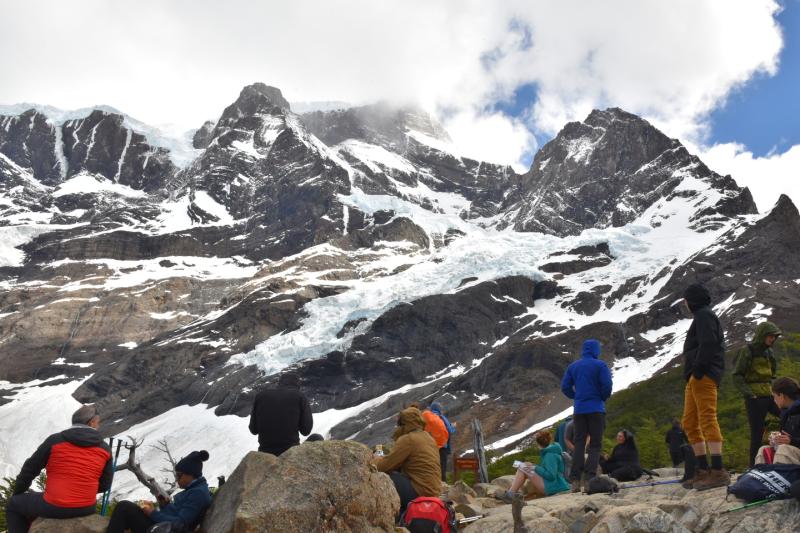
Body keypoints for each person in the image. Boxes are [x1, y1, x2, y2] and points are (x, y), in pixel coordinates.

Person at [5, 404, 113, 533]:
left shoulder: (55, 441)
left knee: (14, 504)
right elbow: (105, 484)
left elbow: (30, 469)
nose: (98, 425)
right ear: (92, 423)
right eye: (98, 423)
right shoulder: (105, 448)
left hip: (54, 506)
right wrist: (81, 490)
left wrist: (18, 493)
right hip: (86, 507)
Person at [680, 283, 729, 491]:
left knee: (707, 418)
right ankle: (702, 470)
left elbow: (708, 343)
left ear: (691, 301)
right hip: (697, 377)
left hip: (703, 375)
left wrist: (699, 369)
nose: (684, 305)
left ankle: (718, 471)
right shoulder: (703, 315)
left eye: (686, 301)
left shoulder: (704, 316)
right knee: (690, 422)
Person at [107, 450, 212, 533]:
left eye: (179, 475)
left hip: (165, 529)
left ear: (190, 474)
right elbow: (179, 514)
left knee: (124, 507)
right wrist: (165, 505)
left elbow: (180, 524)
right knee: (127, 509)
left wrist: (152, 513)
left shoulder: (198, 494)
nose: (176, 479)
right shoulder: (196, 489)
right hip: (163, 527)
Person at [560, 339, 613, 493]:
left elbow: (565, 387)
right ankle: (589, 479)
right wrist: (602, 397)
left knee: (579, 444)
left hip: (579, 410)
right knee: (595, 444)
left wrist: (576, 396)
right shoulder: (600, 365)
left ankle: (575, 480)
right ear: (596, 350)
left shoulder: (573, 366)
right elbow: (607, 385)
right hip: (596, 408)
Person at [372, 407, 441, 513]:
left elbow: (383, 466)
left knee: (385, 477)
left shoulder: (408, 439)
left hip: (420, 492)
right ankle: (403, 513)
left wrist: (375, 459)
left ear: (405, 424)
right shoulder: (428, 438)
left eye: (400, 424)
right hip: (433, 493)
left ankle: (386, 514)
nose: (398, 427)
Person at [732, 321, 782, 467]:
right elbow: (737, 375)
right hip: (754, 398)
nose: (772, 339)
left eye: (774, 336)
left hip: (769, 395)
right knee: (757, 434)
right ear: (763, 335)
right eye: (770, 336)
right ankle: (753, 467)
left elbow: (772, 373)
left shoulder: (769, 352)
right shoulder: (747, 351)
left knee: (787, 415)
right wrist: (749, 393)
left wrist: (774, 389)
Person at [249, 372, 313, 455]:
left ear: (279, 383)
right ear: (297, 384)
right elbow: (306, 430)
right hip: (290, 454)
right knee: (317, 437)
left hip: (265, 453)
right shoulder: (300, 396)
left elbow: (253, 430)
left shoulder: (260, 396)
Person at [496, 430, 569, 502]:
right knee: (523, 466)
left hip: (552, 487)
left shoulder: (550, 455)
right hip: (554, 485)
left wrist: (535, 467)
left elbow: (551, 476)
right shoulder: (551, 452)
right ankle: (512, 493)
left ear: (538, 444)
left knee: (522, 468)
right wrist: (533, 465)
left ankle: (511, 494)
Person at [755, 377, 800, 465]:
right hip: (792, 453)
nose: (774, 400)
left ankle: (782, 477)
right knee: (764, 450)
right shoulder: (786, 414)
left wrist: (792, 441)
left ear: (782, 396)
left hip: (789, 452)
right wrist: (777, 440)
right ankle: (760, 477)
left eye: (774, 396)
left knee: (784, 450)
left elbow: (791, 442)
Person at [428, 402, 456, 482]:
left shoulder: (428, 418)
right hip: (442, 446)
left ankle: (432, 482)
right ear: (439, 409)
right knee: (442, 466)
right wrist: (453, 427)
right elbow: (449, 430)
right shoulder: (441, 417)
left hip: (430, 446)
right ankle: (443, 484)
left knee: (432, 465)